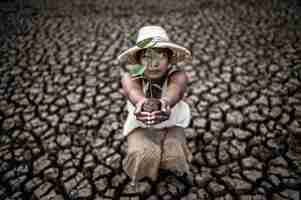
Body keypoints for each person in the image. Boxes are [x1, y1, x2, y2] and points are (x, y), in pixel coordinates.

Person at [118, 25, 193, 194]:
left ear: (169, 58)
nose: (154, 63)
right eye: (147, 56)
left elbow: (176, 88)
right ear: (138, 59)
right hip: (141, 126)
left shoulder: (178, 75)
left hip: (171, 125)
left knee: (174, 152)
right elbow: (132, 90)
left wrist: (166, 101)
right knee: (144, 154)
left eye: (161, 54)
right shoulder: (131, 77)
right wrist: (141, 101)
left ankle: (173, 172)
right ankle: (143, 177)